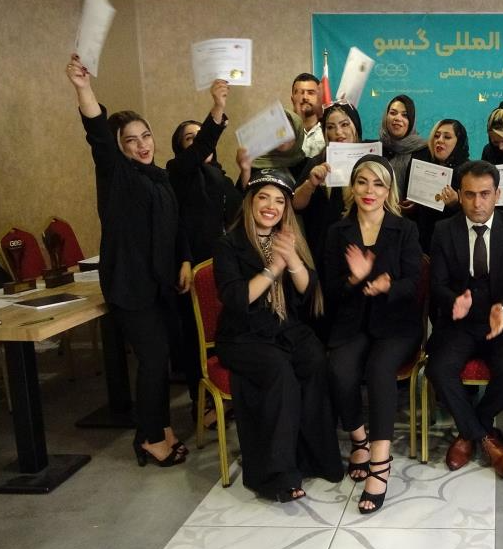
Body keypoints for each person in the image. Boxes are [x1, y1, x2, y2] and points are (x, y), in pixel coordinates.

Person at [67, 54, 192, 467]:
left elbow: (175, 225)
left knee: (162, 358)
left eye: (146, 136)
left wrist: (184, 261)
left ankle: (160, 427)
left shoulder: (159, 177)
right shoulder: (117, 175)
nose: (142, 145)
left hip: (160, 283)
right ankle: (150, 438)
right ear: (119, 148)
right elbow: (97, 134)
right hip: (131, 286)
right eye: (131, 141)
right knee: (153, 360)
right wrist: (84, 88)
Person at [212, 170, 342, 502]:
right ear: (250, 202)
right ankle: (278, 475)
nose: (271, 206)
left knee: (315, 360)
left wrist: (293, 259)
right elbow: (238, 298)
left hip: (283, 327)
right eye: (264, 198)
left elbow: (308, 290)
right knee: (280, 372)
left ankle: (315, 458)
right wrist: (273, 269)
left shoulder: (286, 238)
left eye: (279, 201)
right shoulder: (229, 244)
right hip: (243, 335)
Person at [322, 155, 423, 514]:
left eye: (378, 183)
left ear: (389, 190)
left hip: (396, 323)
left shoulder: (405, 229)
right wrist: (355, 278)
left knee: (380, 370)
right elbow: (329, 289)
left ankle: (380, 464)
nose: (370, 190)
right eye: (362, 181)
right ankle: (359, 440)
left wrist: (387, 285)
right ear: (352, 187)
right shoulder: (337, 231)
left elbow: (414, 282)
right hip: (351, 321)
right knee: (339, 369)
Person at [425, 160, 503, 479]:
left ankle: (472, 429)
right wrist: (453, 301)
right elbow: (437, 284)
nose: (477, 203)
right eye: (469, 194)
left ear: (498, 195)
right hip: (460, 322)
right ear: (459, 195)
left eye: (485, 194)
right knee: (438, 369)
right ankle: (483, 436)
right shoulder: (444, 230)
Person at [167, 79, 242, 428]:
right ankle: (203, 402)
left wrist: (246, 172)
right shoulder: (177, 172)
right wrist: (217, 108)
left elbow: (236, 211)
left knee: (225, 329)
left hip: (223, 265)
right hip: (193, 263)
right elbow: (179, 224)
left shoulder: (217, 176)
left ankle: (226, 395)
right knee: (195, 336)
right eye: (190, 139)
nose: (199, 143)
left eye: (201, 136)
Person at [293, 102, 368, 257]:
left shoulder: (370, 159)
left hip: (364, 244)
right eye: (331, 127)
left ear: (355, 126)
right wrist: (310, 184)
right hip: (326, 247)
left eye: (344, 124)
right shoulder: (318, 161)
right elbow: (296, 205)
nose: (338, 132)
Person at [405, 119, 471, 251]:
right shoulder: (424, 166)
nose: (439, 140)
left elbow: (478, 214)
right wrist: (414, 205)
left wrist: (457, 203)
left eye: (447, 137)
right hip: (422, 243)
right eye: (436, 136)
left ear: (459, 142)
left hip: (453, 246)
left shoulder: (468, 173)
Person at [379, 95, 427, 203]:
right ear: (386, 116)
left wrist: (418, 204)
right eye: (393, 113)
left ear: (411, 121)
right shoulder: (373, 150)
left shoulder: (425, 151)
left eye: (405, 115)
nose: (398, 118)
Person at [291, 73, 325, 157]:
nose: (305, 97)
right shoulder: (284, 130)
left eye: (310, 93)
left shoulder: (329, 128)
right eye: (300, 93)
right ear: (292, 99)